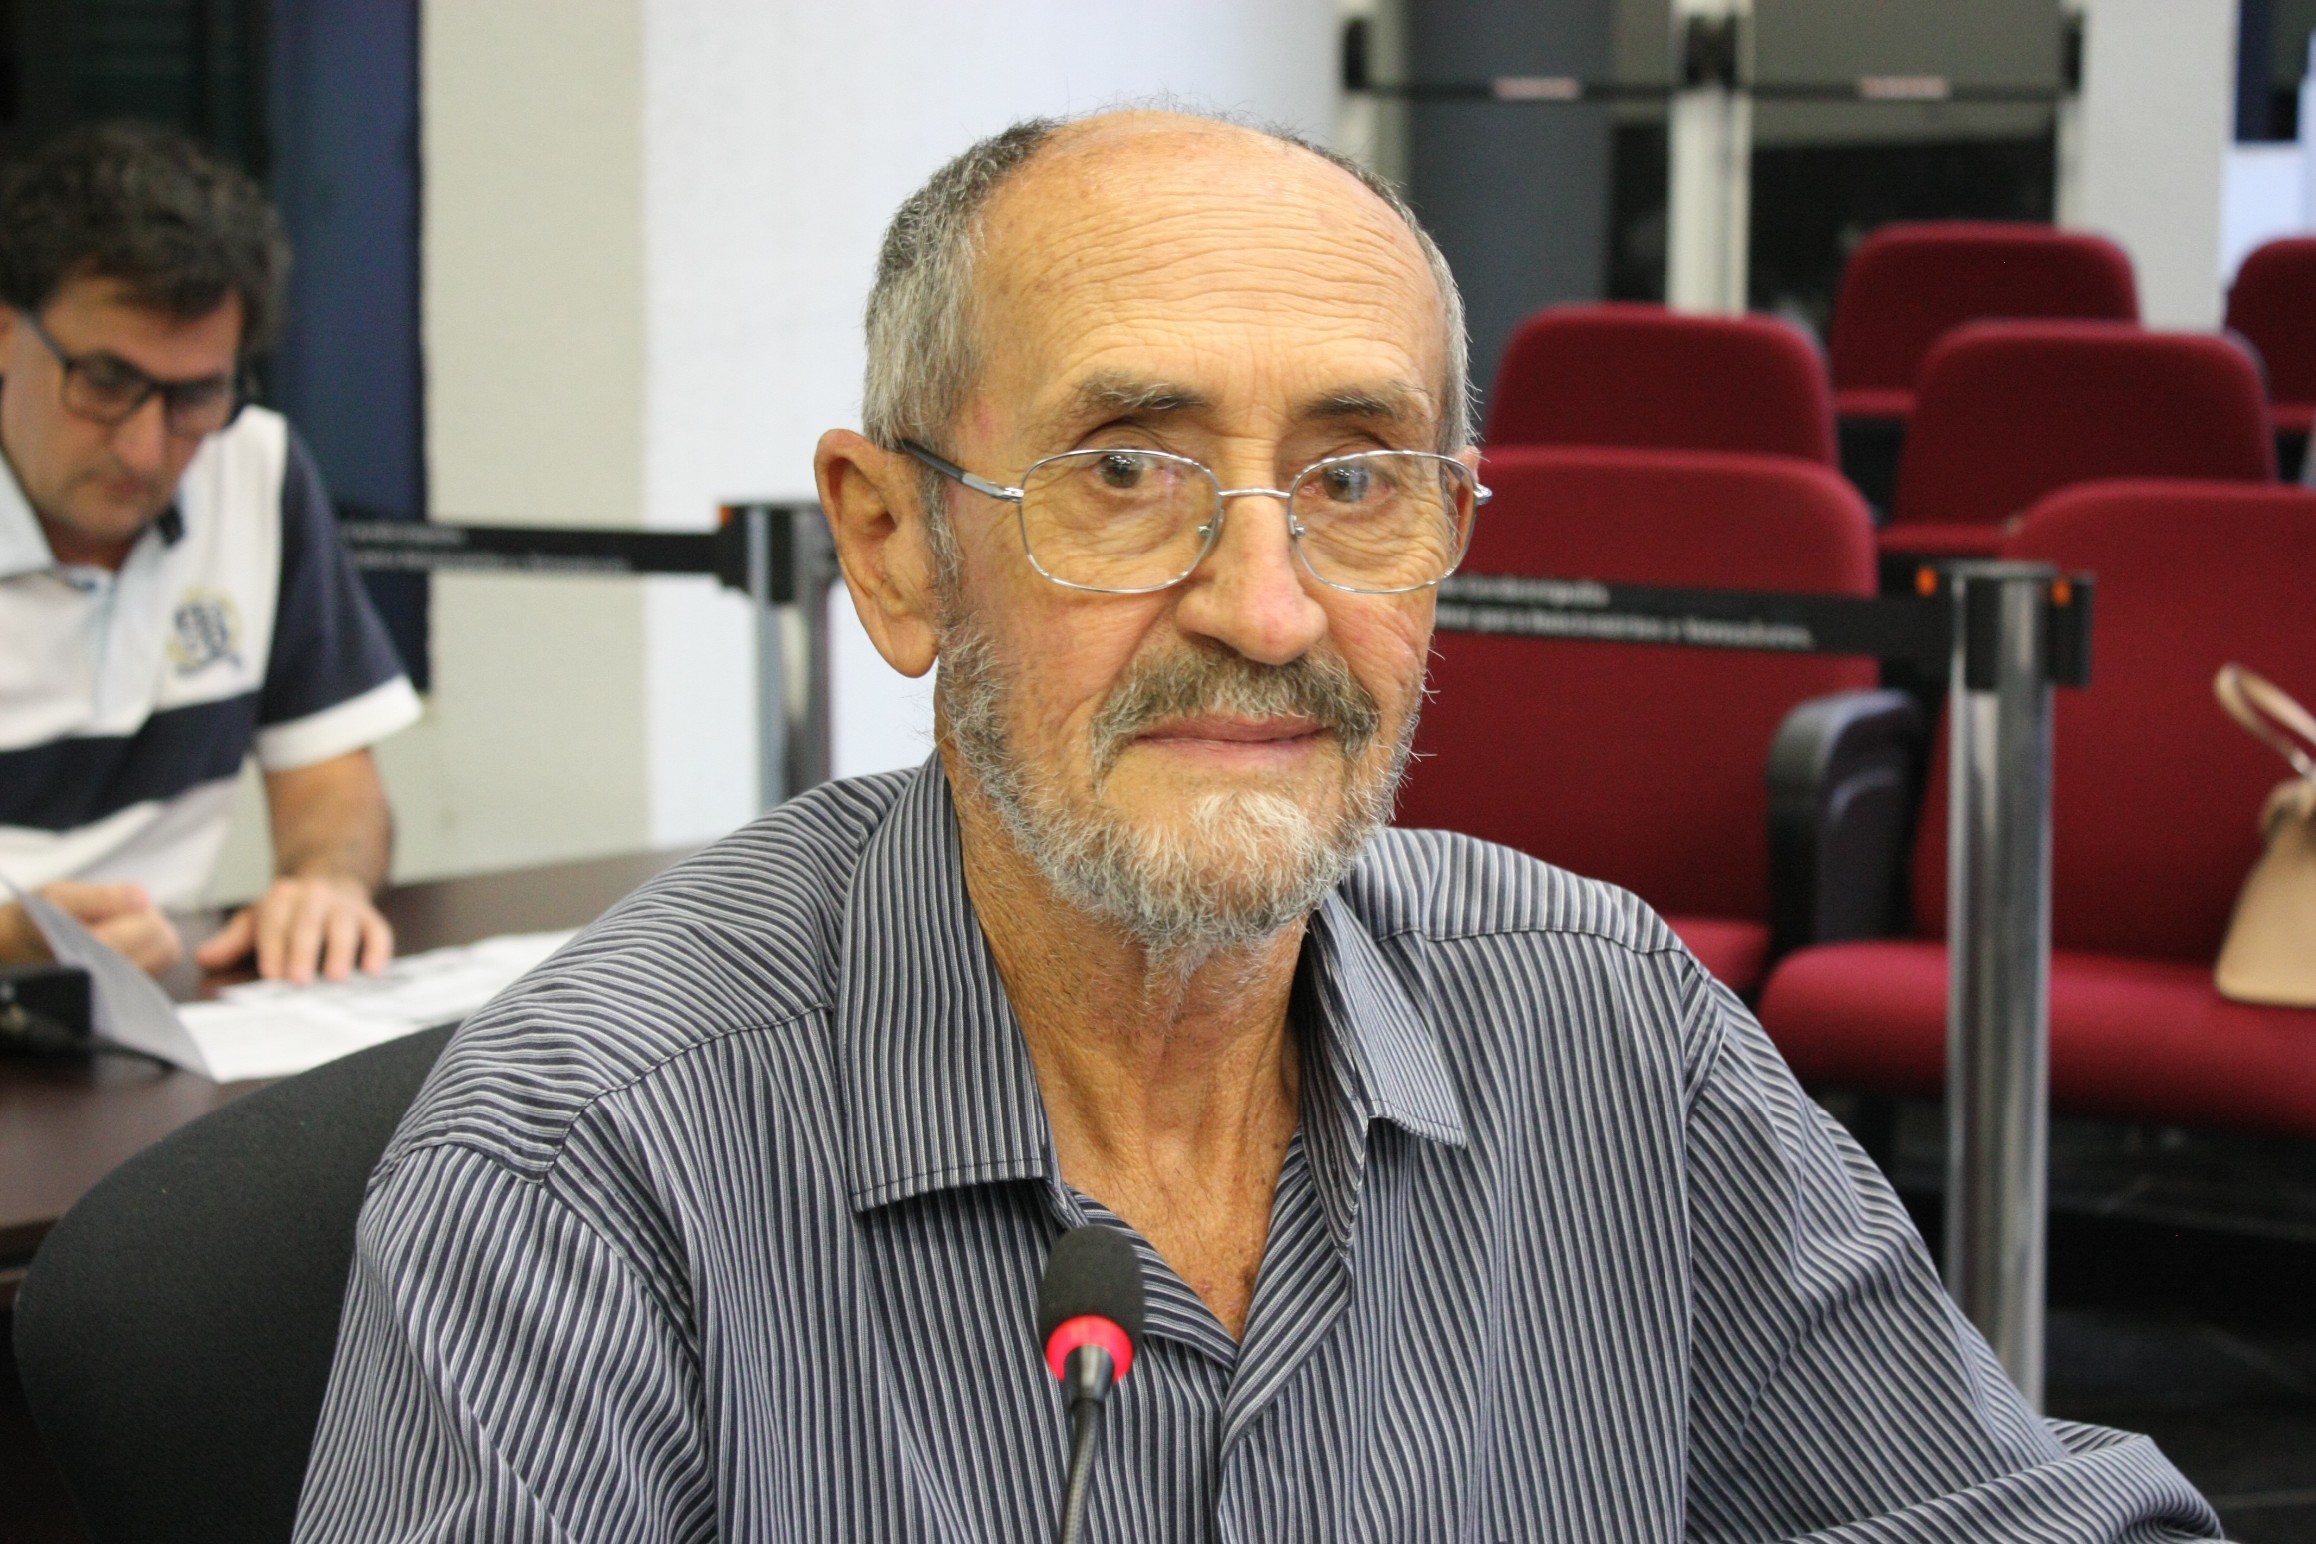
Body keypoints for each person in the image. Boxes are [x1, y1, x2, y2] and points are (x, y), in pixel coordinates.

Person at [295, 112, 2216, 1541]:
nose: (1269, 608)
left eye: (1355, 480)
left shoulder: (1614, 1029)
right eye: (1128, 469)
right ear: (893, 546)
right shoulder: (583, 1166)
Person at [0, 122, 418, 985]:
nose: (145, 448)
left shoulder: (253, 466)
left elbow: (334, 784)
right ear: (6, 333)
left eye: (195, 395)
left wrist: (324, 883)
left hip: (170, 1006)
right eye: (106, 382)